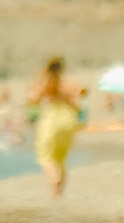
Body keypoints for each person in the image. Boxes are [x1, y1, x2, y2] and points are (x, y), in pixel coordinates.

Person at [28, 57, 84, 196]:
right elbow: (78, 105)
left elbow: (33, 100)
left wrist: (37, 82)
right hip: (69, 120)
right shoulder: (70, 83)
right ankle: (58, 194)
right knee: (61, 158)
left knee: (45, 155)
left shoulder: (47, 83)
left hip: (52, 119)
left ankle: (55, 181)